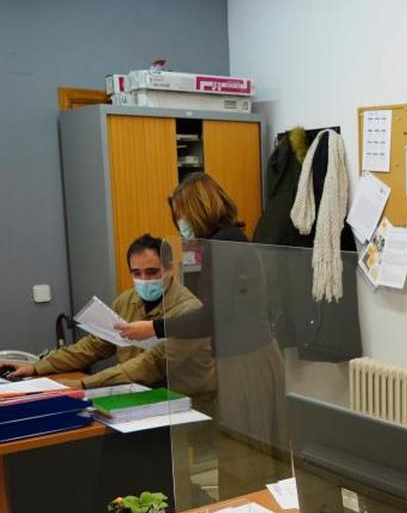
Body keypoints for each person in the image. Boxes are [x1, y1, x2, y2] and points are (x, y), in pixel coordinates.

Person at [117, 173, 289, 496]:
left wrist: (154, 328)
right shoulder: (226, 241)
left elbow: (212, 316)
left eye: (181, 215)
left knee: (246, 461)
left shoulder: (225, 244)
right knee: (249, 458)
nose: (180, 224)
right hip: (246, 357)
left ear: (197, 209)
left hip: (246, 363)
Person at [0, 235, 215, 393]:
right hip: (139, 394)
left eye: (152, 272)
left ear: (170, 268)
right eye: (136, 273)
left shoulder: (188, 311)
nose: (144, 280)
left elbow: (152, 364)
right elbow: (93, 346)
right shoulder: (126, 301)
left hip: (187, 403)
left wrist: (84, 385)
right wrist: (36, 367)